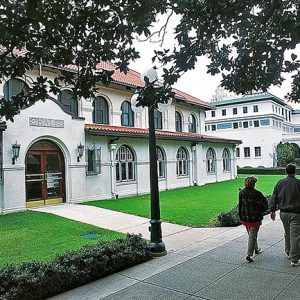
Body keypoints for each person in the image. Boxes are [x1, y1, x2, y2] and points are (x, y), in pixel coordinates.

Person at [269, 163, 300, 267]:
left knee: (287, 233)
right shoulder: (298, 183)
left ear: (285, 171)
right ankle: (294, 259)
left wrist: (272, 211)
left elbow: (274, 198)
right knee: (295, 236)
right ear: (295, 171)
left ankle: (288, 252)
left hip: (284, 213)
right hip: (296, 213)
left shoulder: (280, 183)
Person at [239, 176, 268, 263]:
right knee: (252, 235)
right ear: (254, 184)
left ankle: (256, 249)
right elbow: (265, 206)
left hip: (245, 217)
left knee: (251, 235)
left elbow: (240, 206)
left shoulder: (241, 193)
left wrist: (240, 216)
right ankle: (249, 254)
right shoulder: (258, 194)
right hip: (255, 218)